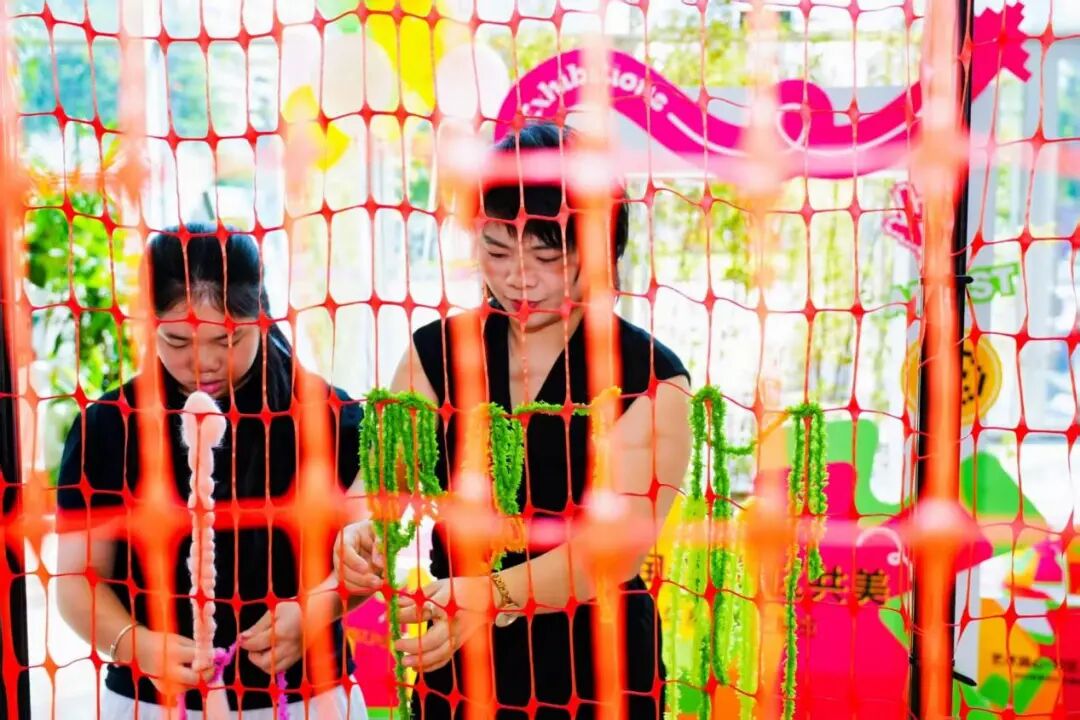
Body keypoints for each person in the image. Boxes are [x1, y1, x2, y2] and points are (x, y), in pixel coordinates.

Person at [337, 121, 692, 719]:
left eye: (546, 255)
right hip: (460, 658)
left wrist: (491, 596)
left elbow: (612, 553)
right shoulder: (436, 352)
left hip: (598, 668)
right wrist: (359, 529)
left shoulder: (652, 378)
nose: (517, 277)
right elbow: (380, 481)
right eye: (497, 251)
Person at [56, 224, 379, 719]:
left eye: (228, 339)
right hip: (149, 701)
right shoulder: (107, 426)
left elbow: (365, 560)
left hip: (309, 697)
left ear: (262, 316)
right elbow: (77, 581)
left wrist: (315, 612)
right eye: (176, 340)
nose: (203, 363)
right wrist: (138, 645)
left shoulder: (333, 418)